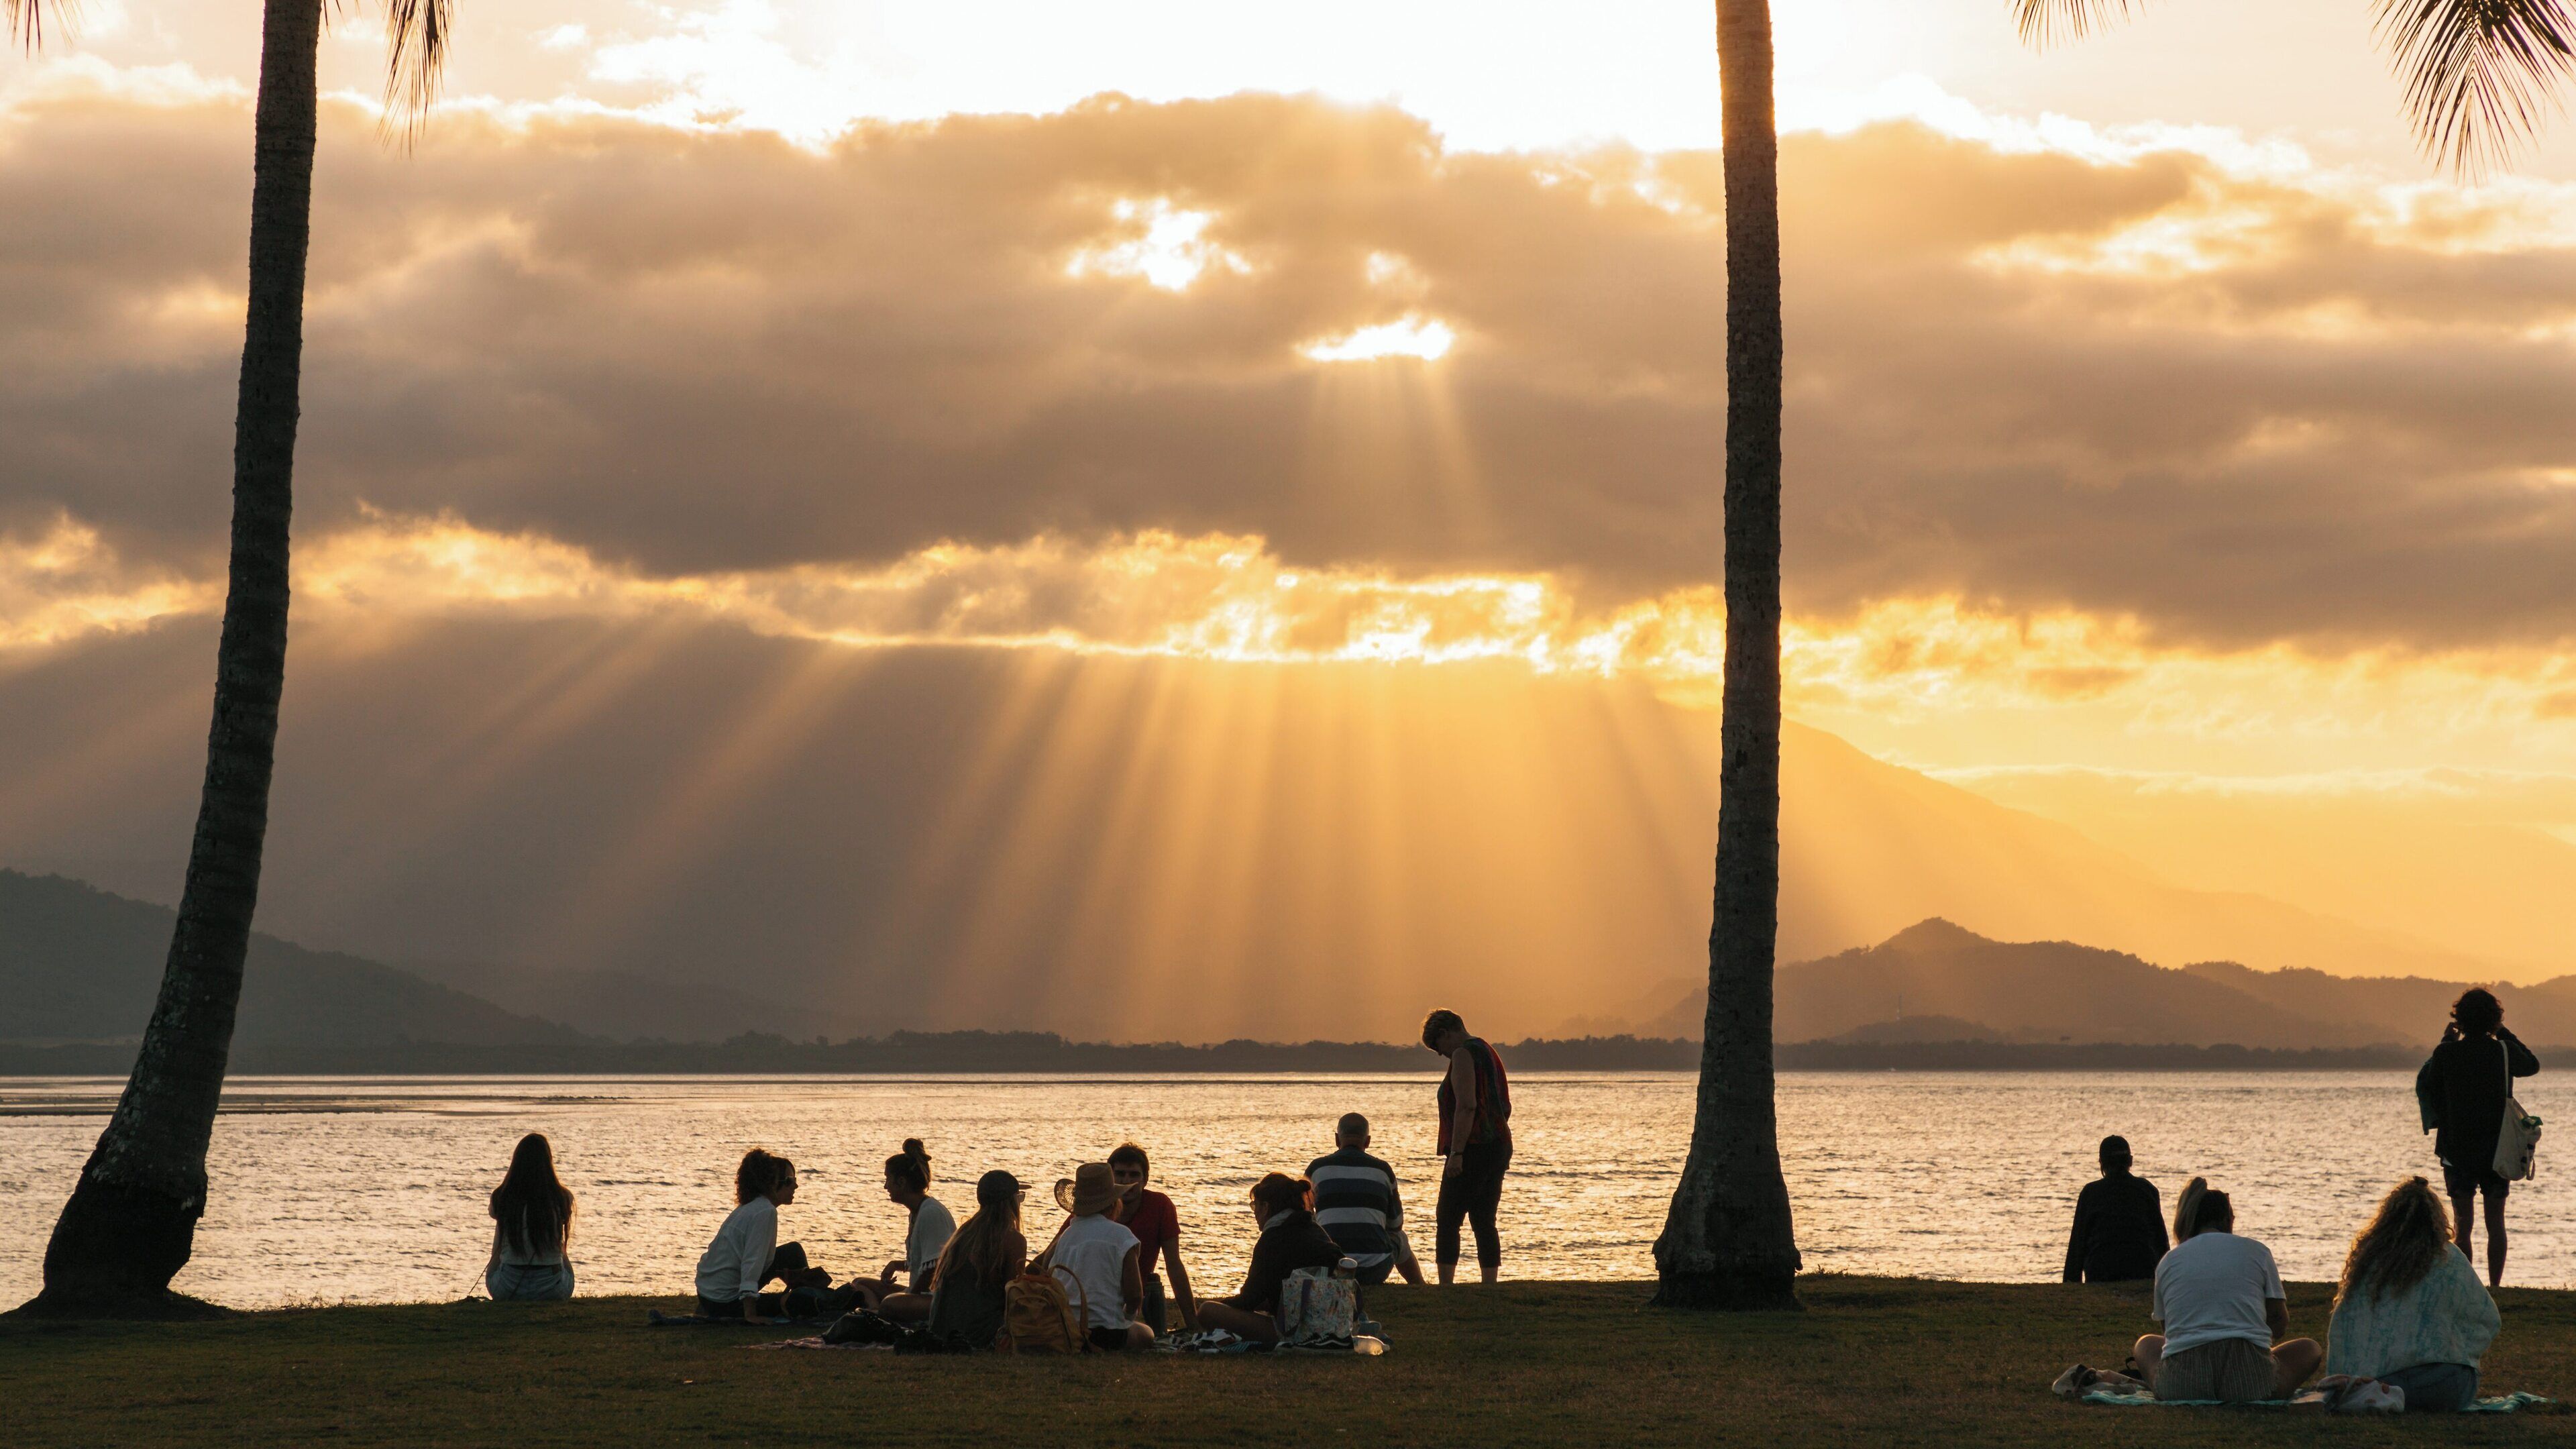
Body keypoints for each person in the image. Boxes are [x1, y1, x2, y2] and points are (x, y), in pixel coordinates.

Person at [2324, 1177, 2501, 1411]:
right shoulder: (2449, 1259)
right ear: (2436, 1219)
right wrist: (2459, 1350)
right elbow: (2488, 1320)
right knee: (2454, 1377)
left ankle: (2379, 1393)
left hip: (2378, 1378)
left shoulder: (2369, 1262)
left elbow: (2343, 1328)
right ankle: (2387, 1394)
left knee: (2384, 1386)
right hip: (2444, 1385)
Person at [2136, 1181, 2320, 1403]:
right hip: (2251, 1385)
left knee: (2145, 1344)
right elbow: (2278, 1323)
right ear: (2227, 1219)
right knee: (2310, 1348)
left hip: (2182, 1385)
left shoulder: (2169, 1261)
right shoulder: (2257, 1251)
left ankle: (2168, 1383)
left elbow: (2170, 1334)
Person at [2416, 987, 2540, 1287]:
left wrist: (2447, 1040)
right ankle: (2495, 1287)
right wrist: (2503, 1033)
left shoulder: (2447, 1053)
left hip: (2456, 1149)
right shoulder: (2503, 1051)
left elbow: (2430, 1084)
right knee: (2496, 1223)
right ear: (2494, 1019)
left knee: (2463, 1225)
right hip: (2497, 1149)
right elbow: (2532, 1065)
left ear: (2459, 1019)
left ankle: (2466, 1287)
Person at [1194, 1173, 1347, 1345]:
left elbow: (1249, 1299)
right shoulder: (1316, 1231)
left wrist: (1222, 1304)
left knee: (1207, 1311)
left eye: (1255, 1206)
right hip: (1337, 1325)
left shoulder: (1272, 1239)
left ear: (1265, 1207)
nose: (1254, 1214)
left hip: (1299, 1332)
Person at [1422, 1008, 1511, 1285]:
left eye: (1437, 1047)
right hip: (1498, 1144)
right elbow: (1503, 1106)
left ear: (1445, 1034)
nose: (1440, 1054)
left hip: (1472, 1147)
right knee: (1484, 1218)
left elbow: (1467, 1105)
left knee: (1448, 1216)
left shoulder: (1462, 1054)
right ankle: (1489, 1284)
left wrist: (1457, 1153)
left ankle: (1446, 1285)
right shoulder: (1488, 1051)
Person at [1035, 1162, 1158, 1352]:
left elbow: (1046, 1273)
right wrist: (1127, 1317)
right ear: (1113, 1203)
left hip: (1065, 1331)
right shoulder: (1122, 1235)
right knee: (1146, 1333)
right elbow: (1134, 1295)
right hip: (1105, 1334)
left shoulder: (1065, 1236)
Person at [693, 1147, 816, 1322]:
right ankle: (807, 1299)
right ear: (772, 1184)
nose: (795, 1185)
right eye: (789, 1180)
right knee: (804, 1303)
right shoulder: (764, 1212)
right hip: (723, 1301)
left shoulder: (753, 1206)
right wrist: (750, 1314)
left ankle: (806, 1292)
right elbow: (752, 1262)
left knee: (793, 1252)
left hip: (708, 1293)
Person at [1306, 1112, 1426, 1287]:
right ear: (1368, 1141)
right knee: (1399, 1238)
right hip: (1374, 1269)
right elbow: (1396, 1224)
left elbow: (1304, 1218)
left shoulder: (1316, 1169)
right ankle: (1420, 1286)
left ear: (1337, 1139)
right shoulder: (1382, 1170)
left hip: (1329, 1269)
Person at [923, 1170, 1030, 1349]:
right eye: (1019, 1198)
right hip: (979, 1334)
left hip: (942, 1329)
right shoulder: (1013, 1239)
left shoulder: (964, 1233)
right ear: (1010, 1202)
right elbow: (1013, 1296)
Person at [861, 1139, 954, 1325]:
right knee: (860, 1283)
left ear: (902, 1182)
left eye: (888, 1179)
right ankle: (875, 1312)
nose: (885, 1186)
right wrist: (898, 1265)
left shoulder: (931, 1213)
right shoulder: (917, 1212)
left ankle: (879, 1316)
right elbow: (924, 1262)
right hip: (921, 1295)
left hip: (939, 1301)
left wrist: (910, 1295)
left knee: (890, 1304)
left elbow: (935, 1268)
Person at [1109, 1142, 1197, 1332]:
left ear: (1145, 1179)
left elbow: (1174, 1264)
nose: (1127, 1181)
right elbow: (1054, 1251)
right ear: (1110, 1177)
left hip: (1135, 1296)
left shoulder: (1159, 1205)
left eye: (1134, 1175)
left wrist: (1193, 1323)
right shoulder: (1093, 1208)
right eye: (1120, 1174)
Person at [2062, 1134, 2168, 1285]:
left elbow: (2077, 1245)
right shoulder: (2147, 1190)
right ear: (2130, 1161)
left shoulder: (2090, 1193)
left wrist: (2070, 1284)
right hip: (2142, 1271)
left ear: (2102, 1163)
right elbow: (2161, 1241)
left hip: (2101, 1273)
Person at [484, 1132, 576, 1301]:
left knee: (503, 1223)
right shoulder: (562, 1196)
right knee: (561, 1250)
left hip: (507, 1289)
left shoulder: (502, 1196)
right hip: (553, 1290)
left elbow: (493, 1213)